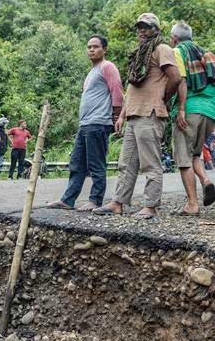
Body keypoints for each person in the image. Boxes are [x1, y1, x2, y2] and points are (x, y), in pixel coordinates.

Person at [93, 13, 185, 219]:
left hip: (150, 112)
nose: (142, 31)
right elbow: (132, 87)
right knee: (126, 163)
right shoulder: (139, 54)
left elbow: (176, 78)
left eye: (146, 27)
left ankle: (150, 206)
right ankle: (118, 202)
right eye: (139, 27)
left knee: (150, 163)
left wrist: (163, 97)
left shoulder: (162, 49)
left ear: (156, 29)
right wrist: (121, 116)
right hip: (134, 114)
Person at [47, 34, 123, 211]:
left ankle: (95, 200)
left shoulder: (108, 67)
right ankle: (68, 200)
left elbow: (117, 92)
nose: (91, 50)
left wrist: (117, 118)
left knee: (96, 164)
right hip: (85, 124)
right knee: (77, 163)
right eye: (89, 47)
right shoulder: (92, 71)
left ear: (104, 49)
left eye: (95, 47)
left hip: (98, 123)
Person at [169, 22, 215, 215]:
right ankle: (206, 180)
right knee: (195, 154)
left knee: (184, 158)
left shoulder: (178, 51)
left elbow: (181, 81)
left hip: (189, 111)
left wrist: (181, 109)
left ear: (174, 39)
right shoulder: (207, 53)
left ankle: (192, 204)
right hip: (211, 112)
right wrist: (210, 101)